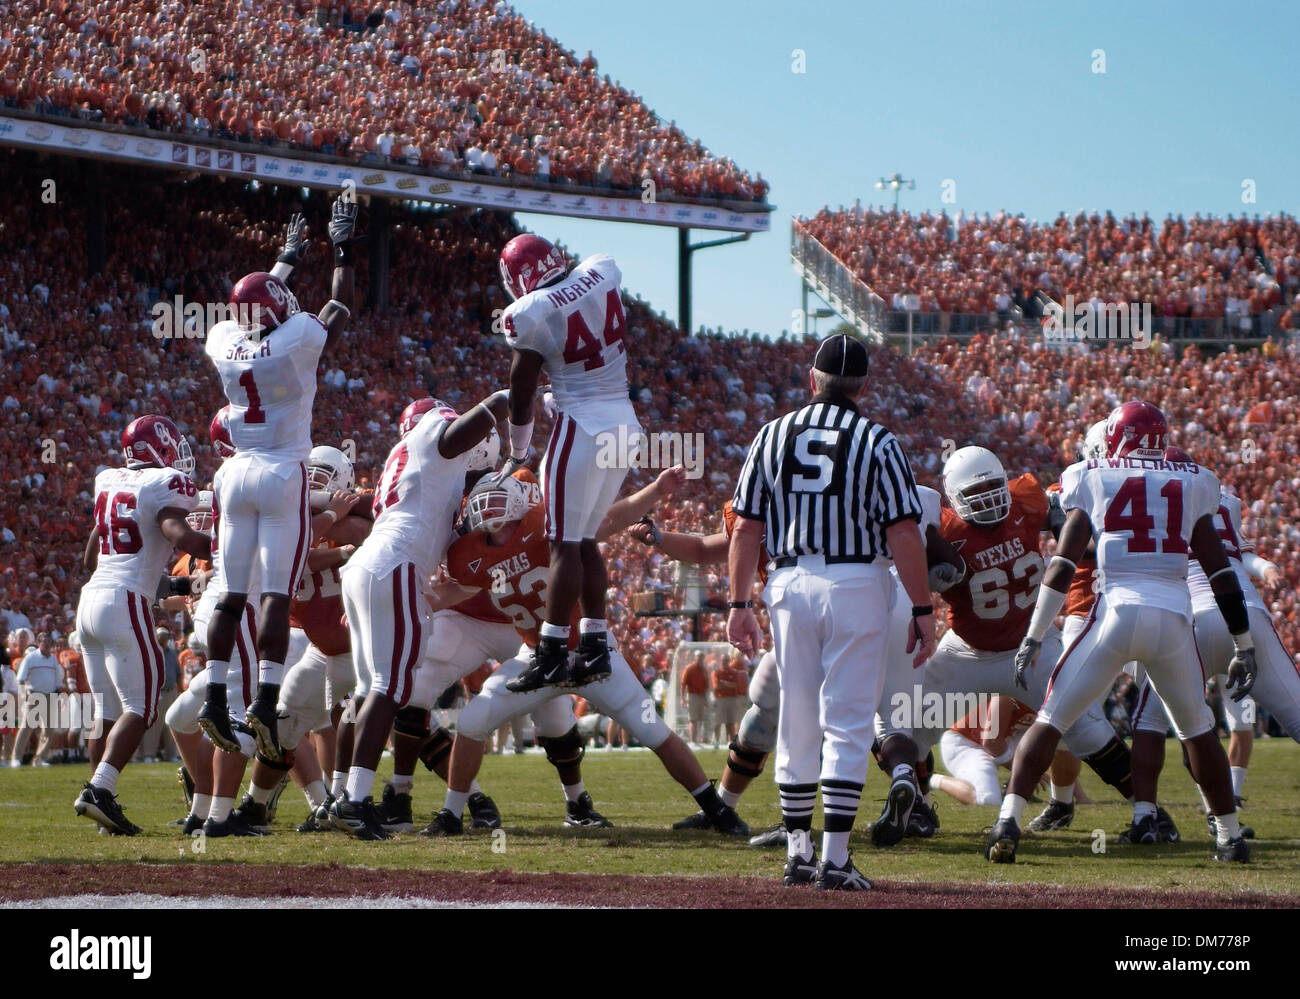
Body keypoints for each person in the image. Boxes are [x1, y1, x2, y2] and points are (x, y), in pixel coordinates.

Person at [988, 401, 1255, 864]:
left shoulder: (1093, 476)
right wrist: (1244, 643)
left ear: (1116, 436)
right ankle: (1229, 835)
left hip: (1114, 614)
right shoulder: (1192, 481)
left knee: (1053, 717)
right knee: (1198, 730)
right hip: (1173, 619)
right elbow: (1221, 573)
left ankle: (1008, 821)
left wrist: (1033, 634)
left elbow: (1062, 564)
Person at [422, 471, 747, 837]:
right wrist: (409, 602)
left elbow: (609, 519)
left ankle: (717, 811)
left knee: (652, 729)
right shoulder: (472, 555)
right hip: (539, 658)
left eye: (495, 496)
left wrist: (655, 490)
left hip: (589, 653)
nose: (485, 506)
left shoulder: (544, 522)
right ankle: (451, 815)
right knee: (470, 722)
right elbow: (452, 592)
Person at [727, 333, 934, 891]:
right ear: (863, 386)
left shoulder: (770, 435)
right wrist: (922, 607)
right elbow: (904, 531)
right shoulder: (878, 440)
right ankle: (836, 859)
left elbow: (747, 528)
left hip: (790, 582)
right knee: (845, 721)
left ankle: (798, 851)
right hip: (856, 579)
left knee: (796, 718)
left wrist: (739, 602)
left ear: (811, 379)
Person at [199, 201, 355, 760]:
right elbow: (338, 304)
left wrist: (285, 259)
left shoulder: (223, 340)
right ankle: (264, 698)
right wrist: (341, 248)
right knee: (274, 593)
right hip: (282, 468)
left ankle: (215, 696)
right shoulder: (297, 339)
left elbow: (252, 305)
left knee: (230, 594)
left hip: (233, 472)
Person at [330, 394, 506, 838]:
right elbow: (474, 420)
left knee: (374, 691)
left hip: (372, 566)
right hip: (396, 565)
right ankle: (354, 801)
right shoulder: (435, 436)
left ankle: (351, 797)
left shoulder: (406, 463)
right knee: (391, 689)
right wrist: (509, 402)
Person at [496, 234, 641, 694]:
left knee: (562, 544)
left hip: (582, 424)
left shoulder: (529, 311)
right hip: (624, 423)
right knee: (583, 541)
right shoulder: (602, 266)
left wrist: (518, 450)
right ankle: (596, 645)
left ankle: (552, 653)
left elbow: (521, 391)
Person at [73, 415, 211, 834]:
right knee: (143, 705)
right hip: (124, 600)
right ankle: (99, 789)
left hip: (90, 600)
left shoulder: (107, 479)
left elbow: (91, 554)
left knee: (105, 710)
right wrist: (227, 548)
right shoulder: (164, 483)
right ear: (161, 447)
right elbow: (178, 534)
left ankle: (103, 808)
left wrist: (163, 579)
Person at [12, 631, 62, 766]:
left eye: (48, 643)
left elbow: (58, 680)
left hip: (50, 695)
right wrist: (25, 694)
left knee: (48, 729)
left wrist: (57, 693)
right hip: (33, 695)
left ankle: (40, 759)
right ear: (39, 643)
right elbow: (21, 678)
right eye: (43, 642)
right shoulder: (31, 658)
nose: (46, 645)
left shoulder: (53, 659)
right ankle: (16, 758)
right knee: (27, 726)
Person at [679, 652, 709, 745]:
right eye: (698, 657)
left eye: (702, 657)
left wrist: (705, 700)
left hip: (701, 696)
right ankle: (692, 741)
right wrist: (682, 698)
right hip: (692, 695)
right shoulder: (689, 668)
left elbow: (706, 686)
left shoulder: (704, 670)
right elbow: (683, 684)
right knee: (693, 719)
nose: (700, 659)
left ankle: (698, 739)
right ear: (695, 657)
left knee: (700, 719)